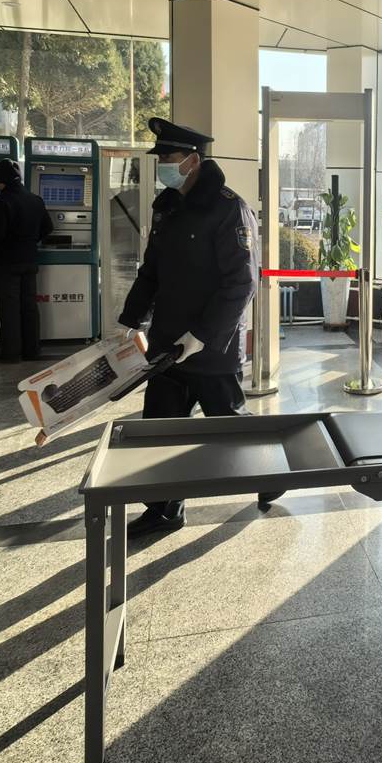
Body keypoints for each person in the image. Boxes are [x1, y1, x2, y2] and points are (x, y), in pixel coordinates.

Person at [119, 117, 258, 537]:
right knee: (160, 430)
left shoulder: (229, 208)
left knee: (230, 429)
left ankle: (269, 479)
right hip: (166, 345)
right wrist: (130, 320)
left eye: (169, 157)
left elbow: (242, 283)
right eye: (160, 157)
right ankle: (164, 508)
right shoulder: (167, 207)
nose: (163, 163)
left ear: (193, 161)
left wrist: (201, 336)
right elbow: (151, 271)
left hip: (211, 348)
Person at [0, 158, 51, 363]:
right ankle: (32, 350)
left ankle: (11, 353)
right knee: (29, 306)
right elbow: (48, 227)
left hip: (7, 262)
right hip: (29, 260)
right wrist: (30, 241)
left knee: (9, 308)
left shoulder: (0, 201)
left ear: (1, 181)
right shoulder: (35, 199)